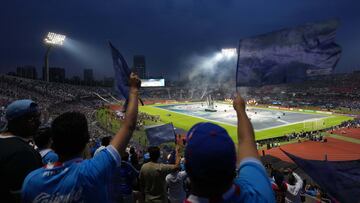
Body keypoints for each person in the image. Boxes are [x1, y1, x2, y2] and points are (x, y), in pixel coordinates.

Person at [21, 73, 141, 203]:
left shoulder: (31, 181)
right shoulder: (94, 169)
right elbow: (129, 126)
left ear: (53, 143)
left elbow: (128, 126)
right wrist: (134, 90)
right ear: (86, 140)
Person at [184, 93, 275, 202]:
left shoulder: (260, 189)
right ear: (234, 164)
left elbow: (246, 141)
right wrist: (240, 109)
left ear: (186, 169)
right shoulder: (260, 194)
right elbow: (246, 140)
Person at [0, 99, 42, 202]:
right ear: (17, 121)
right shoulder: (24, 153)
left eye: (37, 117)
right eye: (32, 119)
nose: (38, 122)